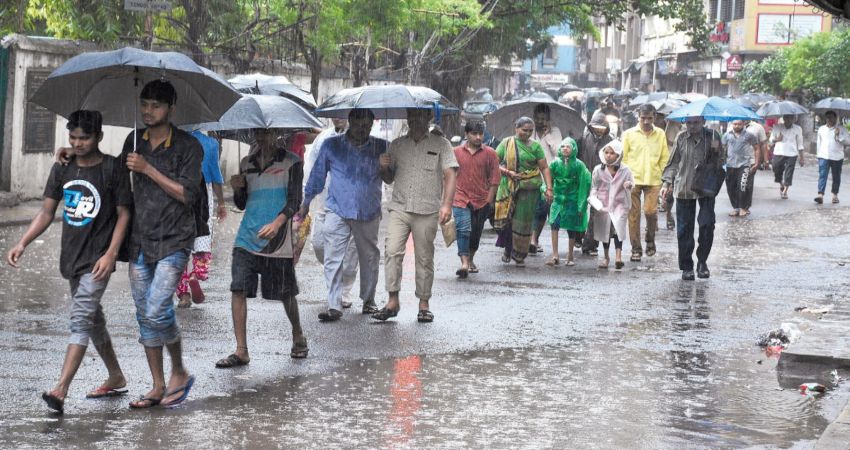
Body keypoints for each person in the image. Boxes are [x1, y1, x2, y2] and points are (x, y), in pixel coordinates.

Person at [7, 110, 131, 414]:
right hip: (72, 258)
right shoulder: (62, 167)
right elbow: (47, 212)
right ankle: (115, 375)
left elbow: (124, 213)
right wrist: (23, 243)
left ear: (99, 137)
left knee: (80, 319)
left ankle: (60, 389)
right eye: (73, 137)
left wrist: (111, 253)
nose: (78, 143)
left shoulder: (113, 169)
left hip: (98, 260)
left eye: (84, 137)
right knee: (92, 320)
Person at [120, 80, 202, 408]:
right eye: (145, 104)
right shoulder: (133, 139)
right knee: (144, 314)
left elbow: (187, 195)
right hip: (140, 240)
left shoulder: (188, 146)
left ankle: (179, 370)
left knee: (157, 309)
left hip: (175, 238)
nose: (148, 110)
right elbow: (115, 176)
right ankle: (157, 385)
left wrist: (148, 169)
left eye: (155, 105)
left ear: (170, 108)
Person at [216, 127, 307, 367]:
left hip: (276, 240)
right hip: (247, 236)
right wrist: (238, 188)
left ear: (277, 133)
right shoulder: (247, 163)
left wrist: (277, 224)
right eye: (258, 133)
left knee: (286, 292)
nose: (261, 138)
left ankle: (297, 333)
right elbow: (242, 204)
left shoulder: (292, 162)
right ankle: (241, 350)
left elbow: (295, 200)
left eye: (266, 133)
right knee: (238, 288)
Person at [301, 109, 387, 321]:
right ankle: (334, 304)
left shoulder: (381, 147)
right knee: (333, 256)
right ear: (350, 122)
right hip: (337, 208)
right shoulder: (332, 145)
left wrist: (387, 167)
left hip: (368, 210)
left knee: (369, 257)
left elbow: (391, 178)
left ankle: (369, 300)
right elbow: (317, 176)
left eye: (367, 126)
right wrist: (305, 204)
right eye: (358, 125)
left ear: (371, 125)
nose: (362, 130)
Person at [373, 108, 458, 323]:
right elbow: (389, 178)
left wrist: (447, 205)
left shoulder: (441, 144)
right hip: (400, 207)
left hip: (427, 209)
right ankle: (392, 300)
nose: (415, 120)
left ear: (429, 117)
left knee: (424, 257)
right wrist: (383, 168)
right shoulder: (397, 145)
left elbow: (450, 174)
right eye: (411, 116)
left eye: (420, 116)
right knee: (392, 251)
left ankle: (424, 304)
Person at [302, 118, 360, 310]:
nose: (338, 117)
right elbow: (311, 168)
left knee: (350, 254)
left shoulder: (360, 139)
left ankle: (343, 291)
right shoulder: (323, 138)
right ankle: (334, 275)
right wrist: (306, 198)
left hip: (352, 206)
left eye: (343, 114)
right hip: (325, 201)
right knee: (319, 244)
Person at [661, 117, 724, 281]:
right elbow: (673, 162)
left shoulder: (714, 136)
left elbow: (723, 161)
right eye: (688, 123)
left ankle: (702, 262)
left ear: (703, 122)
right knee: (684, 230)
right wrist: (667, 182)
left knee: (707, 225)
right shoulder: (681, 137)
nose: (692, 126)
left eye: (695, 123)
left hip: (706, 187)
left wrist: (716, 152)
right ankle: (687, 266)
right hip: (685, 188)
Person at [175, 130, 227, 308]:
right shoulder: (211, 143)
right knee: (203, 234)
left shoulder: (174, 139)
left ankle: (183, 295)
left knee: (179, 243)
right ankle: (196, 274)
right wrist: (221, 203)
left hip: (177, 189)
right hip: (203, 192)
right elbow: (216, 176)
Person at [493, 117, 554, 265]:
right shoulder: (507, 143)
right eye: (524, 130)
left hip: (529, 189)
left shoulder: (536, 147)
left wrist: (549, 189)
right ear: (516, 128)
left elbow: (544, 167)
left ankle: (519, 252)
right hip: (508, 186)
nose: (527, 134)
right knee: (506, 220)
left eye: (530, 131)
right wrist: (508, 172)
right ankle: (507, 249)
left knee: (523, 221)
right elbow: (493, 163)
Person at [451, 121, 500, 278]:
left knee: (476, 232)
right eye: (474, 134)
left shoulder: (490, 153)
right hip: (460, 198)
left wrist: (489, 200)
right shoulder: (456, 152)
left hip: (481, 199)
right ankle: (464, 263)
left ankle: (470, 258)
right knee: (463, 229)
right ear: (466, 135)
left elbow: (495, 179)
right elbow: (447, 175)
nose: (478, 137)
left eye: (481, 134)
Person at [621, 103, 669, 262]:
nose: (646, 121)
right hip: (632, 180)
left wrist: (665, 179)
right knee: (633, 215)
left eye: (649, 118)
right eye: (643, 118)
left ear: (654, 117)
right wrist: (624, 178)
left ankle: (650, 239)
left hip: (654, 179)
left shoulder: (660, 134)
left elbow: (664, 158)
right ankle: (636, 249)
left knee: (650, 212)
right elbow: (624, 157)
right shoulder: (628, 134)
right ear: (638, 117)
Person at [545, 137, 591, 267]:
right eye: (563, 146)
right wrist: (547, 190)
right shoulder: (554, 163)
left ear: (574, 149)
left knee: (572, 228)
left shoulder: (579, 165)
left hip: (572, 200)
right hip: (558, 200)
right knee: (554, 224)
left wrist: (581, 204)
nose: (565, 148)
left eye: (568, 146)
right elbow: (548, 179)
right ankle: (555, 255)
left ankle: (570, 255)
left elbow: (583, 184)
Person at [589, 140, 633, 269]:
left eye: (612, 153)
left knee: (618, 229)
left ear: (618, 155)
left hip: (619, 204)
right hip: (603, 205)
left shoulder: (625, 170)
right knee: (605, 232)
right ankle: (606, 257)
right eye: (606, 152)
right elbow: (594, 187)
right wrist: (593, 199)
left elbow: (631, 182)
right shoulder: (598, 169)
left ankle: (618, 257)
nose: (608, 155)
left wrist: (629, 185)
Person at [578, 110, 613, 256]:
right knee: (579, 209)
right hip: (584, 177)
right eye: (596, 128)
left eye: (602, 128)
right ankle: (577, 237)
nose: (599, 131)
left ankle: (590, 244)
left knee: (595, 212)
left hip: (601, 182)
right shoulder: (585, 138)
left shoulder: (610, 141)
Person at [529, 103, 563, 254]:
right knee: (537, 209)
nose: (540, 122)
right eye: (538, 118)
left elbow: (560, 152)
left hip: (551, 176)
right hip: (532, 175)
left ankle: (536, 240)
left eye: (544, 119)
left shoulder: (555, 131)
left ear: (549, 119)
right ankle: (533, 239)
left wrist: (548, 137)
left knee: (547, 210)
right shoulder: (529, 131)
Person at [722, 120, 760, 217]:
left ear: (743, 124)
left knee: (742, 186)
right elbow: (722, 148)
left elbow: (756, 148)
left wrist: (756, 162)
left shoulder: (749, 135)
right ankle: (736, 208)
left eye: (739, 124)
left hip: (744, 164)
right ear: (732, 124)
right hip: (730, 165)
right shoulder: (727, 135)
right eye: (735, 124)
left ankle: (743, 208)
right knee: (731, 188)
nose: (737, 126)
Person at [814, 111, 850, 204]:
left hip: (837, 157)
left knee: (836, 177)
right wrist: (818, 155)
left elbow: (848, 142)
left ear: (835, 118)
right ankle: (820, 195)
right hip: (823, 156)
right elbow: (819, 143)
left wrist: (839, 135)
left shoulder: (841, 129)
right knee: (822, 175)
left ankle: (835, 195)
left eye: (831, 117)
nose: (829, 119)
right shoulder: (821, 129)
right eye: (827, 117)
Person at [770, 114, 805, 199]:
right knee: (775, 168)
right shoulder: (777, 127)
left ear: (794, 119)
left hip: (792, 153)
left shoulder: (798, 129)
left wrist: (802, 158)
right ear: (784, 118)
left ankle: (785, 191)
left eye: (790, 118)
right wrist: (776, 139)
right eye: (786, 117)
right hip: (779, 152)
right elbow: (771, 139)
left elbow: (800, 144)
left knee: (789, 172)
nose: (788, 119)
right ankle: (781, 183)